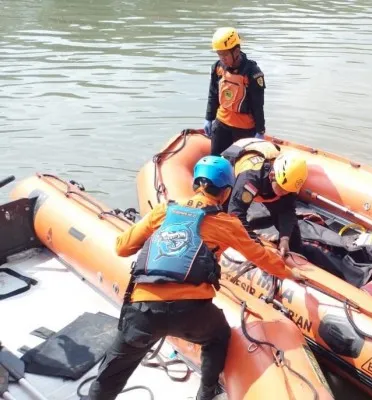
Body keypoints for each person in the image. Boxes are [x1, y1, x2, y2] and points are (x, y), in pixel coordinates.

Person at [85, 156, 302, 400]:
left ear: (195, 184)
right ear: (226, 192)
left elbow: (122, 247)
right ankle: (206, 393)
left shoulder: (163, 211)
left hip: (143, 310)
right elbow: (261, 256)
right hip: (192, 314)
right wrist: (289, 272)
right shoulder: (227, 224)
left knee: (111, 373)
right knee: (218, 336)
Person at [222, 138, 308, 258]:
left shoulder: (289, 183)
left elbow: (288, 210)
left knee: (292, 232)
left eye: (289, 191)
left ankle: (297, 257)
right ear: (272, 176)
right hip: (239, 158)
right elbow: (236, 213)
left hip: (266, 153)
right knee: (226, 215)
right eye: (282, 189)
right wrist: (255, 244)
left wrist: (285, 239)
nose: (285, 193)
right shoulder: (250, 179)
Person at [205, 27, 267, 156]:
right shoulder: (218, 68)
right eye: (219, 54)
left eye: (225, 54)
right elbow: (213, 95)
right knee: (216, 161)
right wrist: (209, 118)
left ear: (236, 51)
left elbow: (258, 105)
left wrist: (260, 131)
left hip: (244, 129)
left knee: (240, 164)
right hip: (221, 124)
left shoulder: (252, 73)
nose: (222, 58)